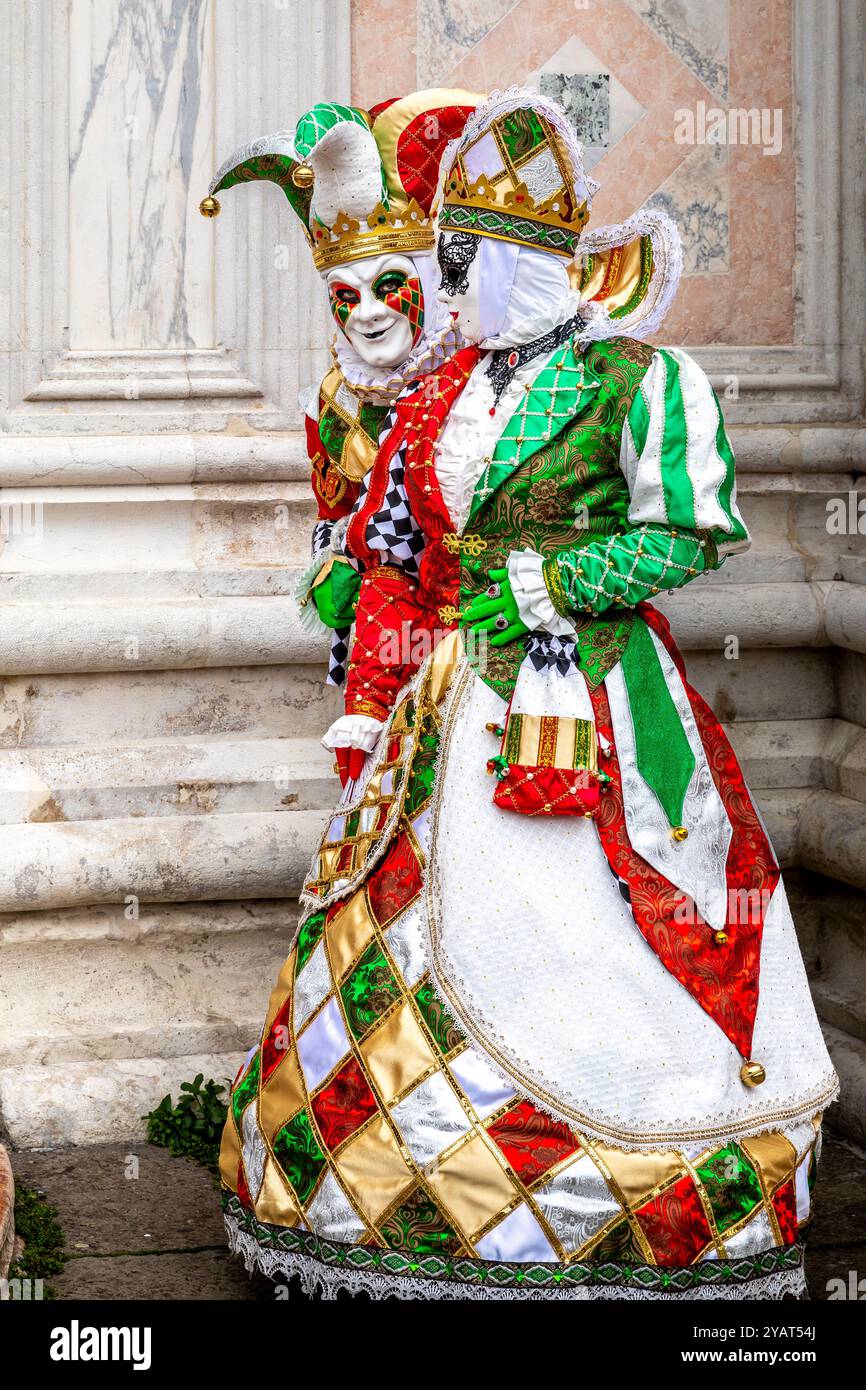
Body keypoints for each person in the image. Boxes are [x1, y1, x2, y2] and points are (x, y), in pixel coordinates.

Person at [220, 88, 838, 1301]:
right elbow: (397, 538)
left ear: (536, 265)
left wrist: (550, 580)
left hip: (597, 701)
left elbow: (694, 528)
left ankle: (635, 1191)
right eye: (447, 261)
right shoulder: (443, 393)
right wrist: (353, 593)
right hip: (445, 707)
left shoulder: (637, 380)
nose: (447, 286)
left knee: (598, 933)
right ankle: (385, 1205)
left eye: (466, 261)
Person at [203, 90, 481, 709]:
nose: (370, 314)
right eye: (346, 297)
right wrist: (331, 568)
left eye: (389, 286)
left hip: (486, 626)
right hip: (385, 637)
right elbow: (337, 518)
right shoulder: (330, 401)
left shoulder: (483, 378)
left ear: (430, 284)